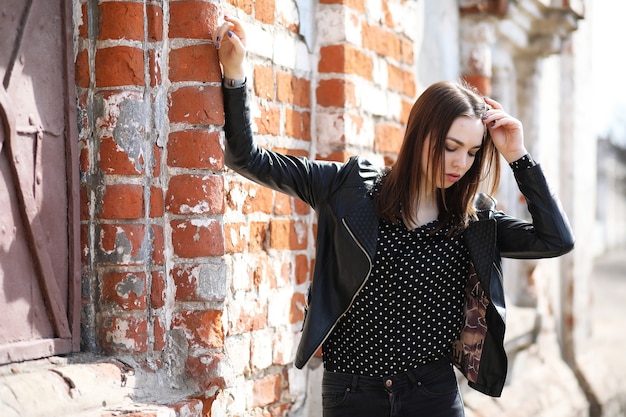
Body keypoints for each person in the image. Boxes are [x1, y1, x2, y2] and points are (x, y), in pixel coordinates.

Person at [212, 15, 575, 417]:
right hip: (352, 393)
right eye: (451, 146)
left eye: (472, 153)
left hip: (432, 395)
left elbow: (556, 240)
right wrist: (235, 75)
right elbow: (248, 159)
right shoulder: (348, 189)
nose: (460, 163)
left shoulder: (474, 221)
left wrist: (518, 157)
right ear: (421, 135)